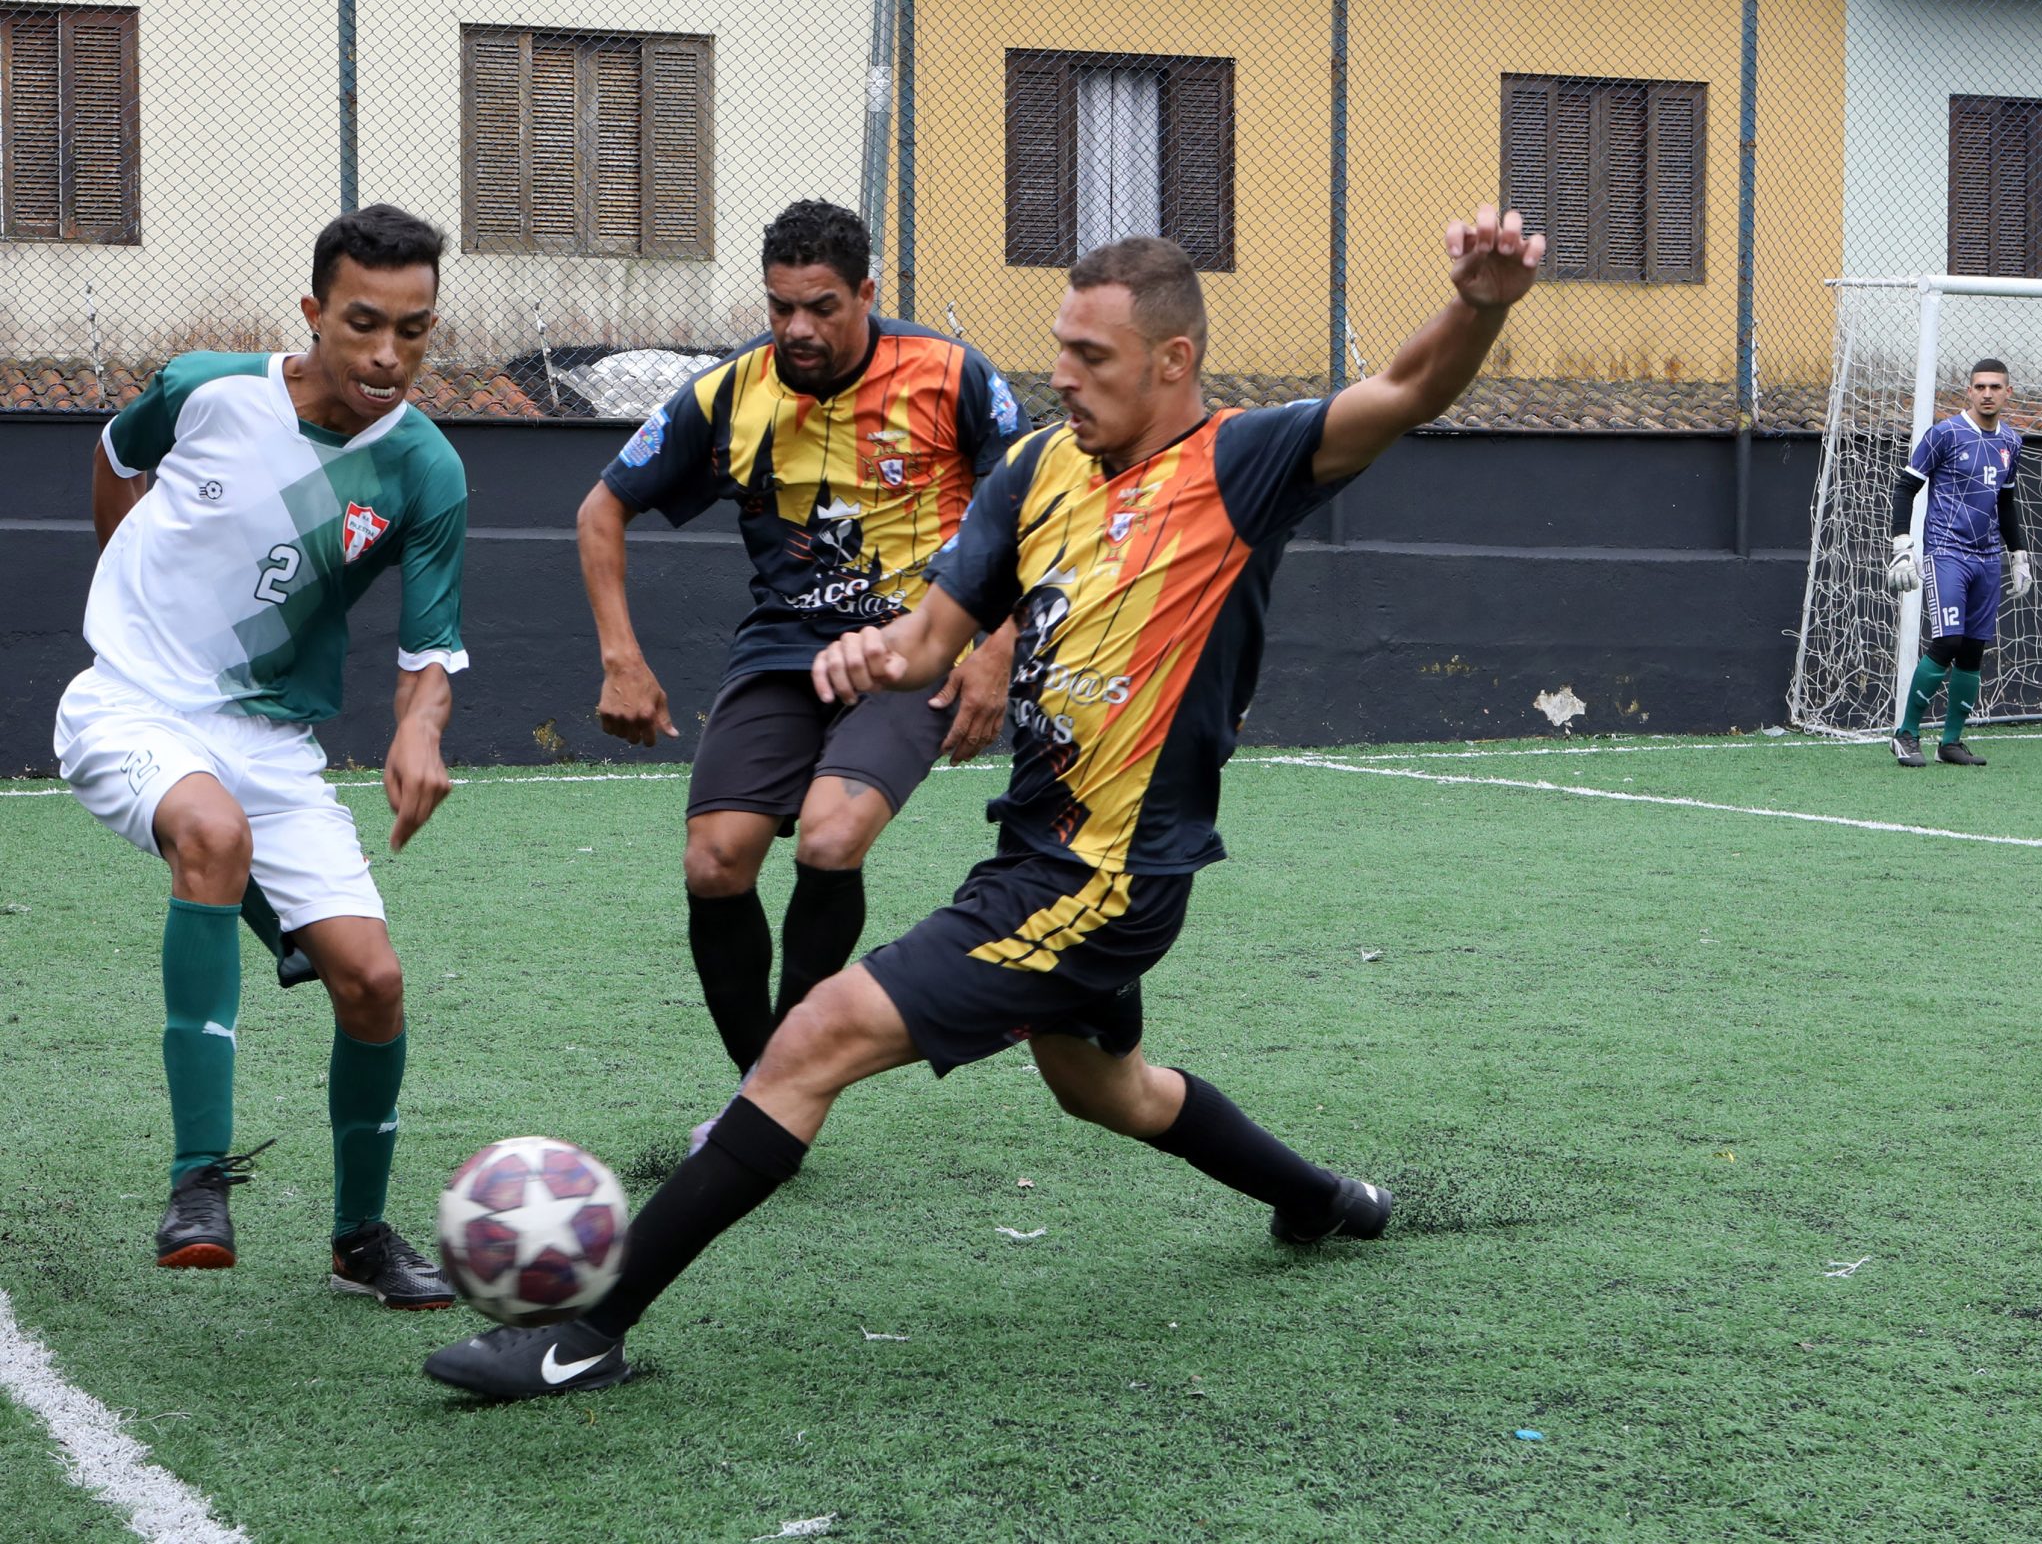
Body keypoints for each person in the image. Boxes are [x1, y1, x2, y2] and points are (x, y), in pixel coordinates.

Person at [425, 204, 1546, 1398]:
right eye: (1059, 347)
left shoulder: (1241, 464)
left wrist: (1476, 303)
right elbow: (933, 638)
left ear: (1174, 363)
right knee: (1105, 1086)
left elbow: (1407, 391)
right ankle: (1327, 1203)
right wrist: (881, 658)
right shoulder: (1034, 470)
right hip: (1041, 851)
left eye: (1092, 358)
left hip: (1099, 877)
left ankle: (579, 1333)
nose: (1062, 377)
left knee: (808, 1042)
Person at [53, 204, 465, 1306]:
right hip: (130, 704)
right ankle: (198, 1181)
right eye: (364, 324)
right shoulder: (209, 388)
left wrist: (417, 732)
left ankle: (360, 1239)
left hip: (273, 743)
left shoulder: (425, 470)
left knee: (372, 983)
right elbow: (112, 456)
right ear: (314, 313)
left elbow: (431, 653)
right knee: (210, 835)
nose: (388, 355)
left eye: (415, 331)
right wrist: (126, 594)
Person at [575, 200, 1019, 1100]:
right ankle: (762, 1080)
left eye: (821, 306)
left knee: (829, 835)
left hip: (911, 651)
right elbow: (600, 509)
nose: (797, 328)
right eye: (781, 307)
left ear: (866, 292)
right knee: (714, 861)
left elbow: (1034, 511)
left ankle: (791, 1073)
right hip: (782, 651)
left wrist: (995, 649)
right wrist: (622, 657)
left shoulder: (953, 375)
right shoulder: (730, 392)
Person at [1887, 357, 2032, 767]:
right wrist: (1902, 544)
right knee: (1948, 641)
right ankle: (1906, 735)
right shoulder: (1945, 434)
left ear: (2008, 392)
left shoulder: (2012, 442)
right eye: (1980, 387)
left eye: (1996, 387)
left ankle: (1950, 742)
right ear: (1968, 391)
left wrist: (2018, 554)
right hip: (1947, 552)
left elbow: (2005, 501)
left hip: (1987, 557)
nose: (1988, 394)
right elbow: (1906, 488)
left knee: (1972, 650)